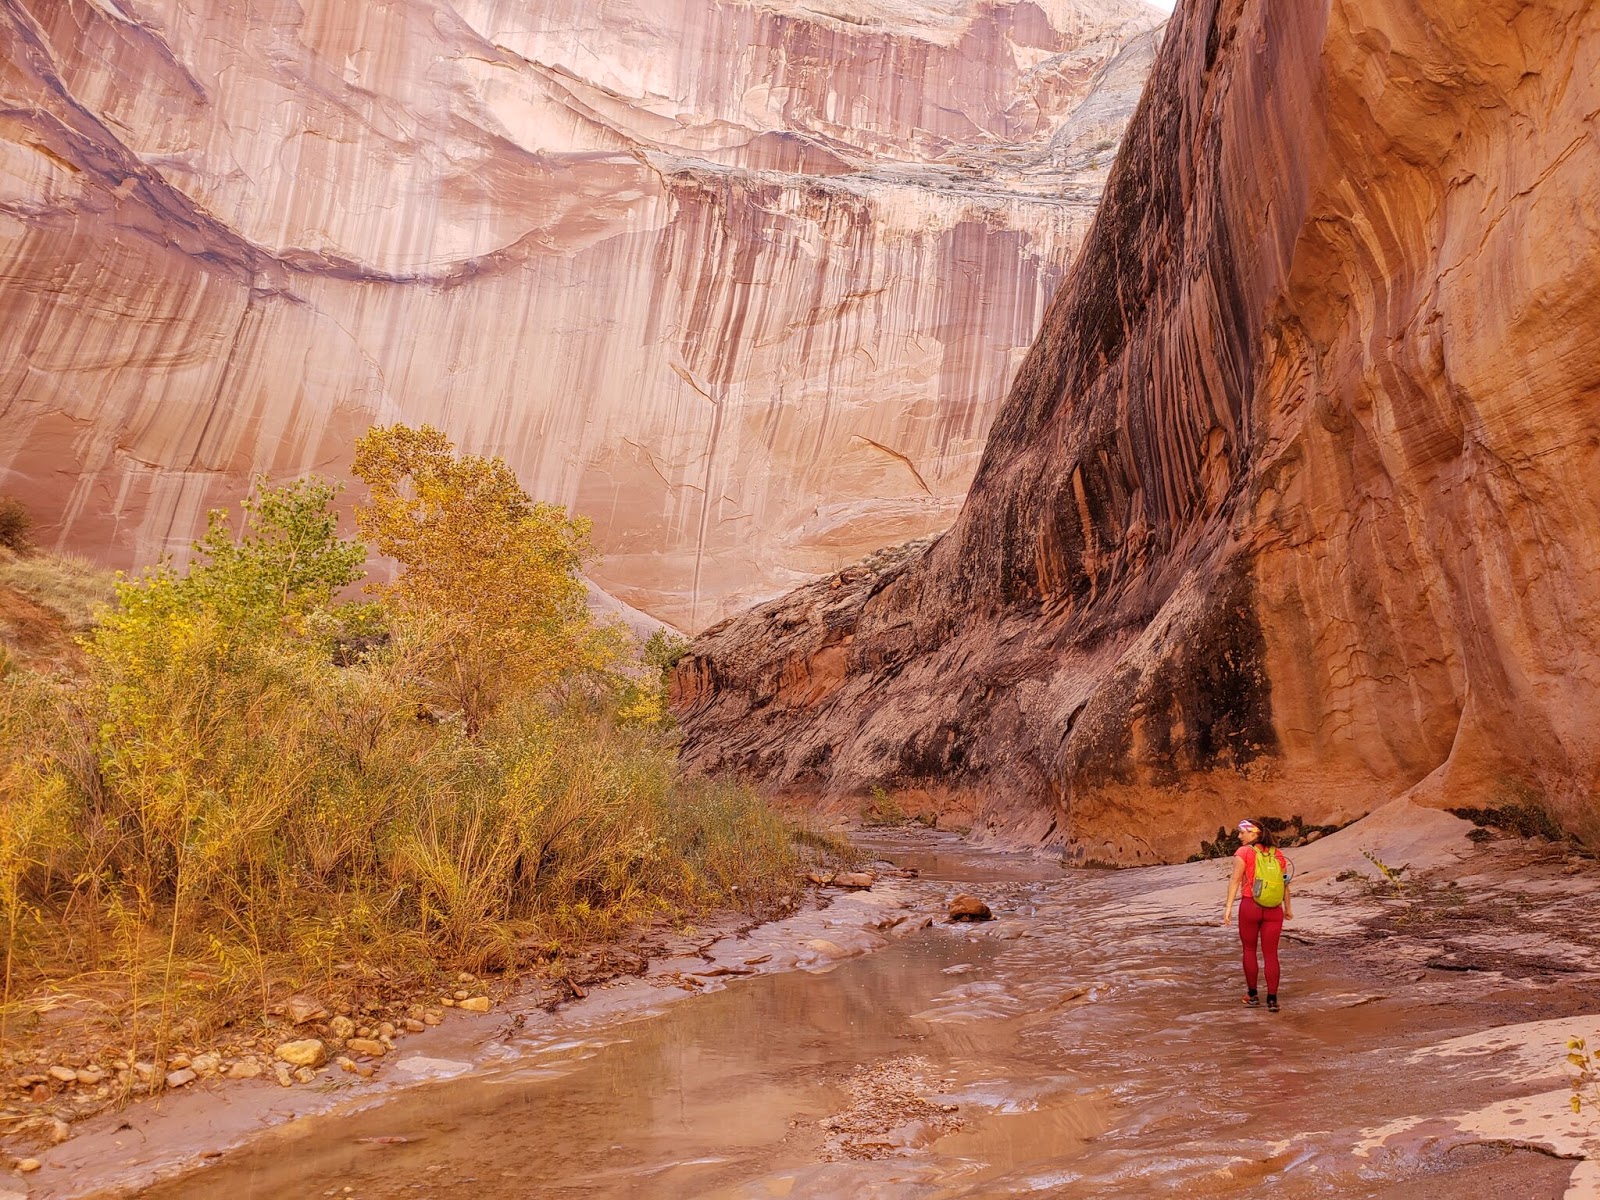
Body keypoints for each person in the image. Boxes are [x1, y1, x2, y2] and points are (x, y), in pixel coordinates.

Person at [1220, 818, 1292, 1011]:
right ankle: (1272, 999)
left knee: (1249, 950)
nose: (1239, 836)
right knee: (1271, 954)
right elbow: (1285, 882)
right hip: (1274, 908)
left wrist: (1227, 908)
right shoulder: (1278, 854)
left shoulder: (1243, 852)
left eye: (1242, 832)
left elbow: (1235, 881)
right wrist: (1288, 908)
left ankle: (1252, 995)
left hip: (1250, 905)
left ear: (1254, 833)